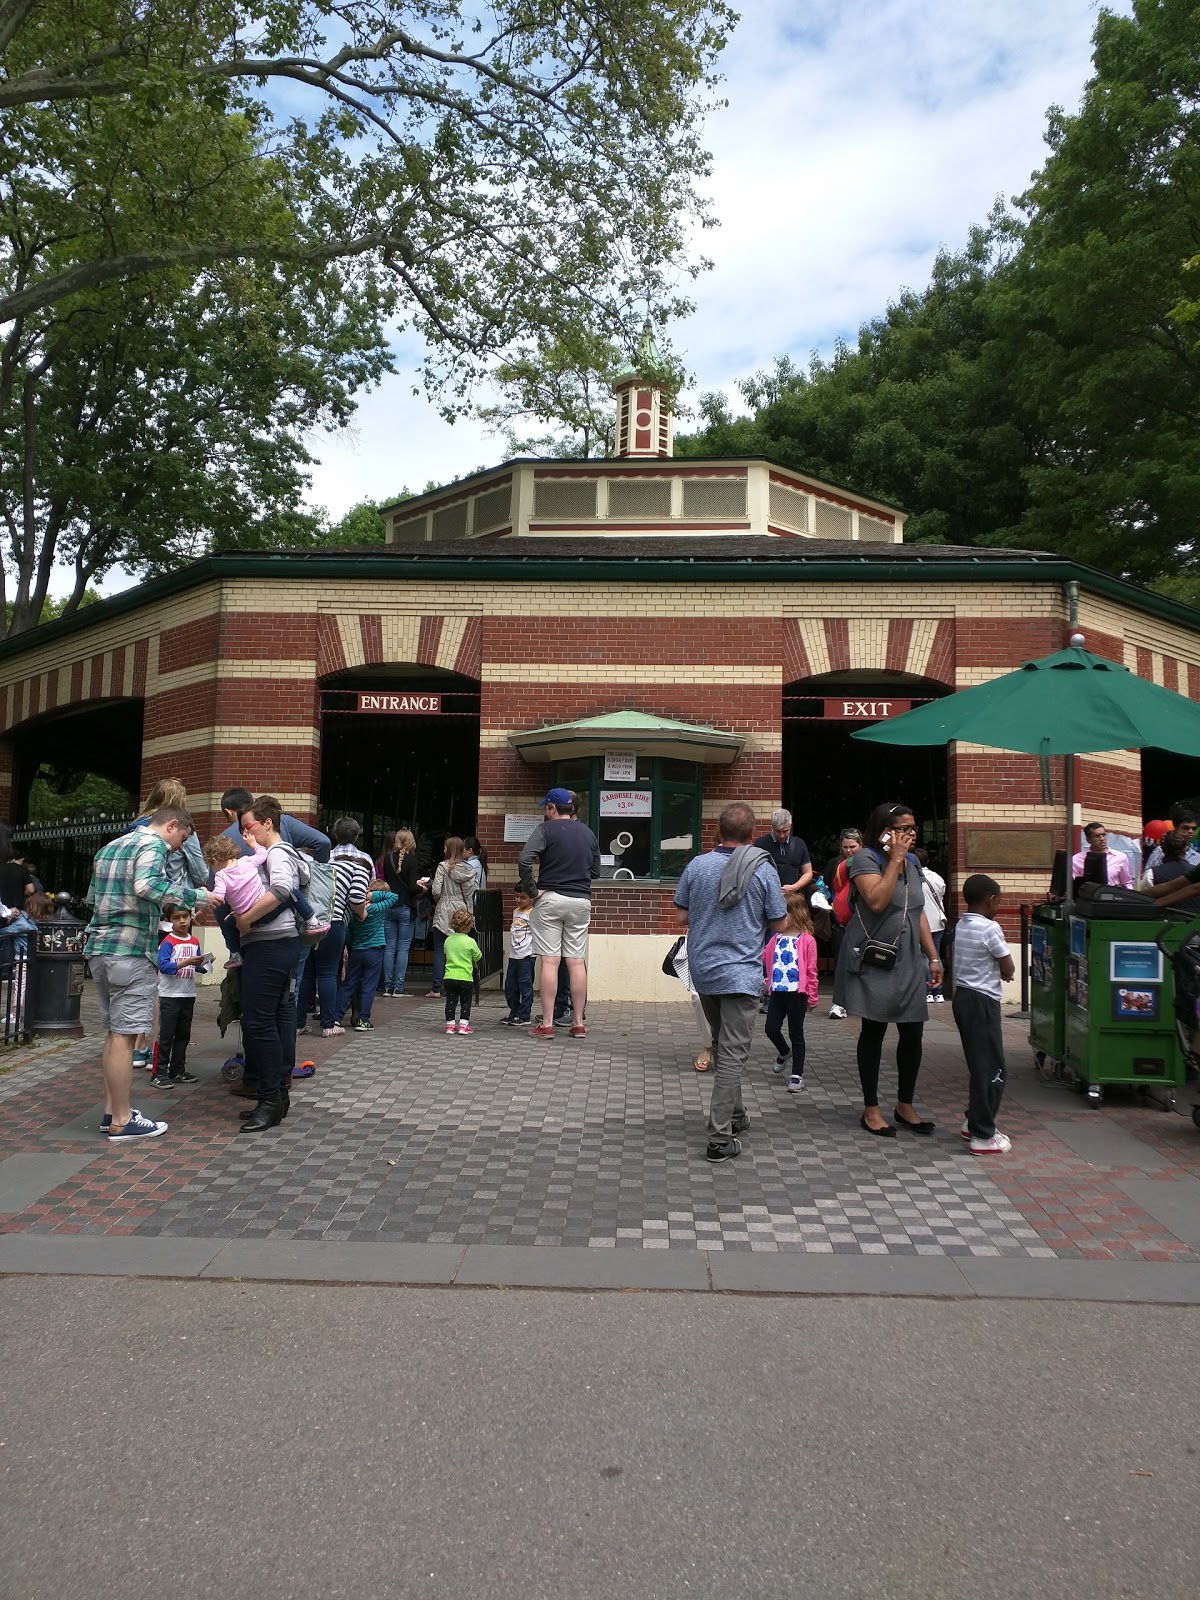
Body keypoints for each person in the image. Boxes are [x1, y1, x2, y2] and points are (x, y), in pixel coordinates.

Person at [83, 804, 210, 1141]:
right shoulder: (152, 845)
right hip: (131, 952)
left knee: (114, 1035)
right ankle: (123, 1121)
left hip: (99, 949)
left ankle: (112, 1113)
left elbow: (92, 898)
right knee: (125, 1038)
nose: (178, 848)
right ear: (172, 825)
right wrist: (196, 897)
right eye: (181, 839)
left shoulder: (109, 847)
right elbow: (146, 885)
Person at [674, 801, 787, 1163]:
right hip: (741, 974)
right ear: (753, 834)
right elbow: (780, 923)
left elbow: (681, 916)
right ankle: (719, 1138)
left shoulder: (697, 865)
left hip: (704, 971)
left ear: (718, 831)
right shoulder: (764, 870)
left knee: (724, 1045)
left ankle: (736, 1116)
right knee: (734, 1056)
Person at [832, 802, 943, 1138]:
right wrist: (894, 860)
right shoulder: (866, 858)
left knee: (913, 1031)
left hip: (908, 958)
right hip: (876, 958)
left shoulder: (912, 862)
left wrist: (933, 957)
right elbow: (877, 901)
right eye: (904, 828)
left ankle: (904, 1104)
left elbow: (917, 910)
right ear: (885, 830)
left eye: (913, 828)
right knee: (874, 1031)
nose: (911, 834)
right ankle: (871, 1108)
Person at [233, 796, 305, 1133]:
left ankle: (269, 1099)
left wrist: (246, 919)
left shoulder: (277, 852)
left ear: (267, 824)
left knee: (259, 1022)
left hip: (271, 944)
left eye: (249, 827)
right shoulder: (278, 853)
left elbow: (282, 888)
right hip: (277, 944)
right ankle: (275, 1097)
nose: (245, 833)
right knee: (271, 1019)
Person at [518, 787, 601, 1040]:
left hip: (551, 898)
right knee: (576, 962)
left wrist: (532, 891)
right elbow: (596, 872)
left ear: (552, 808)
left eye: (547, 807)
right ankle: (578, 1023)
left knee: (550, 961)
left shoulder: (545, 830)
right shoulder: (588, 833)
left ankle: (548, 1024)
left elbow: (524, 860)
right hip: (580, 901)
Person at [952, 874, 1016, 1155]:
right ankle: (983, 1134)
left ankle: (973, 1121)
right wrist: (1005, 970)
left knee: (978, 1063)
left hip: (963, 998)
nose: (999, 906)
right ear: (991, 899)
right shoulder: (991, 928)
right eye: (998, 901)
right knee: (991, 1068)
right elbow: (1009, 965)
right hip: (983, 1001)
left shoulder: (961, 925)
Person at [203, 832, 323, 967]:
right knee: (291, 892)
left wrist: (206, 894)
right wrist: (253, 843)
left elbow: (218, 897)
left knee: (228, 924)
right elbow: (263, 854)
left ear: (214, 860)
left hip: (245, 916)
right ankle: (312, 920)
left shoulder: (221, 875)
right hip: (264, 909)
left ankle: (235, 955)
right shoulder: (247, 861)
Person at [316, 818, 374, 1034]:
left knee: (309, 973)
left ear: (334, 834)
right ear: (357, 835)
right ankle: (331, 1022)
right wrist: (362, 913)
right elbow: (360, 896)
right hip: (339, 920)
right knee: (331, 972)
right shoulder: (362, 860)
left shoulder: (323, 857)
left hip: (312, 919)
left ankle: (300, 1022)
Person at [762, 889, 818, 1094]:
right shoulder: (775, 938)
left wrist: (812, 995)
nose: (778, 918)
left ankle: (797, 1075)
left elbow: (811, 970)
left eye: (783, 913)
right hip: (777, 992)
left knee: (797, 1033)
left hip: (797, 994)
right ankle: (784, 1052)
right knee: (770, 1028)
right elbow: (765, 958)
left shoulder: (807, 941)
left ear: (797, 914)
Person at [151, 906, 209, 1089]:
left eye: (185, 917)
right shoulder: (168, 942)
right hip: (170, 995)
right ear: (170, 920)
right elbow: (164, 966)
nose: (182, 921)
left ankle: (177, 1069)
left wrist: (205, 964)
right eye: (177, 918)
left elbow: (196, 967)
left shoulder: (194, 941)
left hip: (188, 993)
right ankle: (158, 1073)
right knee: (166, 1035)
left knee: (183, 1035)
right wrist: (187, 962)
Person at [332, 876, 396, 1032]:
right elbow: (394, 897)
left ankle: (336, 1018)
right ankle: (363, 1020)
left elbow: (348, 932)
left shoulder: (355, 910)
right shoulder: (378, 909)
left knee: (349, 984)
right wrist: (371, 895)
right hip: (375, 950)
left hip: (358, 950)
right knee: (369, 985)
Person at [429, 836, 479, 998]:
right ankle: (464, 984)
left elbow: (436, 890)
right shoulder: (469, 870)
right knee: (462, 948)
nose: (443, 850)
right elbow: (471, 893)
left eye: (445, 847)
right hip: (461, 910)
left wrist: (441, 900)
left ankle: (436, 989)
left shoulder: (442, 867)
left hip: (444, 908)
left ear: (450, 849)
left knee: (439, 950)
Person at [823, 827, 862, 1019]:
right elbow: (826, 887)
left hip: (861, 921)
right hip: (839, 920)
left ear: (860, 846)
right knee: (841, 962)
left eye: (853, 847)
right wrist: (823, 897)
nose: (849, 850)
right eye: (845, 847)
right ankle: (839, 1003)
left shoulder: (867, 864)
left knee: (863, 963)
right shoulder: (834, 864)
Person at [381, 829, 422, 996]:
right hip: (405, 905)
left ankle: (387, 986)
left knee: (389, 947)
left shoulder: (387, 859)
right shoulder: (412, 861)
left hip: (389, 906)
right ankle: (399, 987)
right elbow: (412, 887)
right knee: (403, 948)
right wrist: (422, 887)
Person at [752, 808, 813, 894]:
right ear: (772, 827)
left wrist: (795, 887)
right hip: (768, 896)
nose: (781, 835)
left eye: (785, 831)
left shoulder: (799, 844)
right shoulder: (761, 844)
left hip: (793, 898)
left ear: (790, 826)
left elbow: (808, 872)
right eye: (778, 831)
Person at [442, 907, 483, 1035]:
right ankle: (463, 1026)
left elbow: (445, 953)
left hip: (449, 976)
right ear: (469, 926)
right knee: (465, 1002)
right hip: (465, 977)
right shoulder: (470, 941)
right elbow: (478, 956)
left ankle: (450, 1025)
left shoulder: (448, 940)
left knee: (450, 1001)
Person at [913, 846, 947, 1002]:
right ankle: (938, 992)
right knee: (935, 957)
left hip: (921, 923)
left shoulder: (913, 878)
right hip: (937, 922)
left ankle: (927, 990)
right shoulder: (937, 877)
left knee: (923, 957)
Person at [1141, 829, 1200, 913]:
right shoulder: (1194, 869)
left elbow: (1193, 888)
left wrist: (1152, 902)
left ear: (1162, 848)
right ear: (1186, 848)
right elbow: (1176, 885)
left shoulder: (1152, 873)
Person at [501, 887, 535, 1025]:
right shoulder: (516, 912)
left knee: (525, 985)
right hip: (514, 954)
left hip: (527, 955)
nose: (518, 900)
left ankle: (524, 1014)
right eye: (516, 897)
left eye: (523, 897)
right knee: (510, 985)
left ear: (531, 898)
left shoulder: (533, 913)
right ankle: (514, 1011)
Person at [1143, 805, 1199, 879]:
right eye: (1186, 828)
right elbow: (1148, 875)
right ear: (1176, 828)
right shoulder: (1160, 851)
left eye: (1194, 828)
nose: (1190, 831)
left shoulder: (1198, 857)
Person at [1071, 821, 1134, 888]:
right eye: (1097, 836)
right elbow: (1073, 884)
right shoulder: (1076, 860)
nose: (1102, 839)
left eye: (1103, 835)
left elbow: (1127, 883)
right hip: (1087, 896)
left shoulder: (1120, 857)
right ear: (1088, 840)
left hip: (1112, 895)